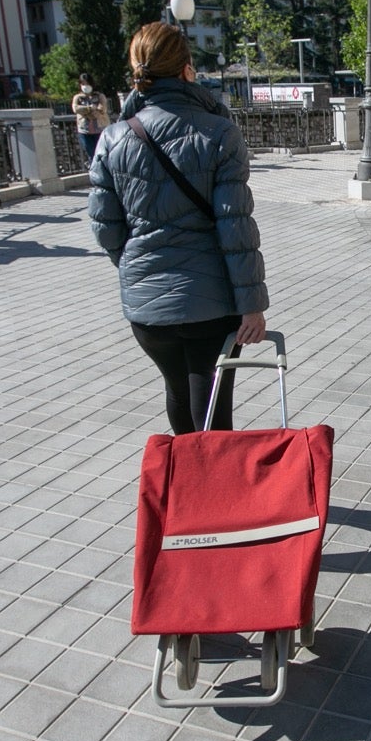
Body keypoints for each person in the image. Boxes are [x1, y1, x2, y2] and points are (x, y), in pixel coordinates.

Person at [90, 23, 268, 434]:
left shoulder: (115, 137)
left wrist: (139, 264)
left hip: (148, 307)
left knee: (178, 390)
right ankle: (214, 492)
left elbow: (105, 226)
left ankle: (192, 489)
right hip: (213, 300)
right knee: (212, 399)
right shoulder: (219, 132)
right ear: (188, 69)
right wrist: (252, 304)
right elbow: (235, 226)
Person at [72, 73, 110, 162]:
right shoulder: (78, 98)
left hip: (100, 129)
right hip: (85, 131)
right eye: (83, 84)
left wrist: (87, 111)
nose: (85, 86)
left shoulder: (99, 96)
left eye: (87, 84)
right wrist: (89, 108)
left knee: (103, 153)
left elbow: (102, 109)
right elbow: (76, 109)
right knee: (92, 155)